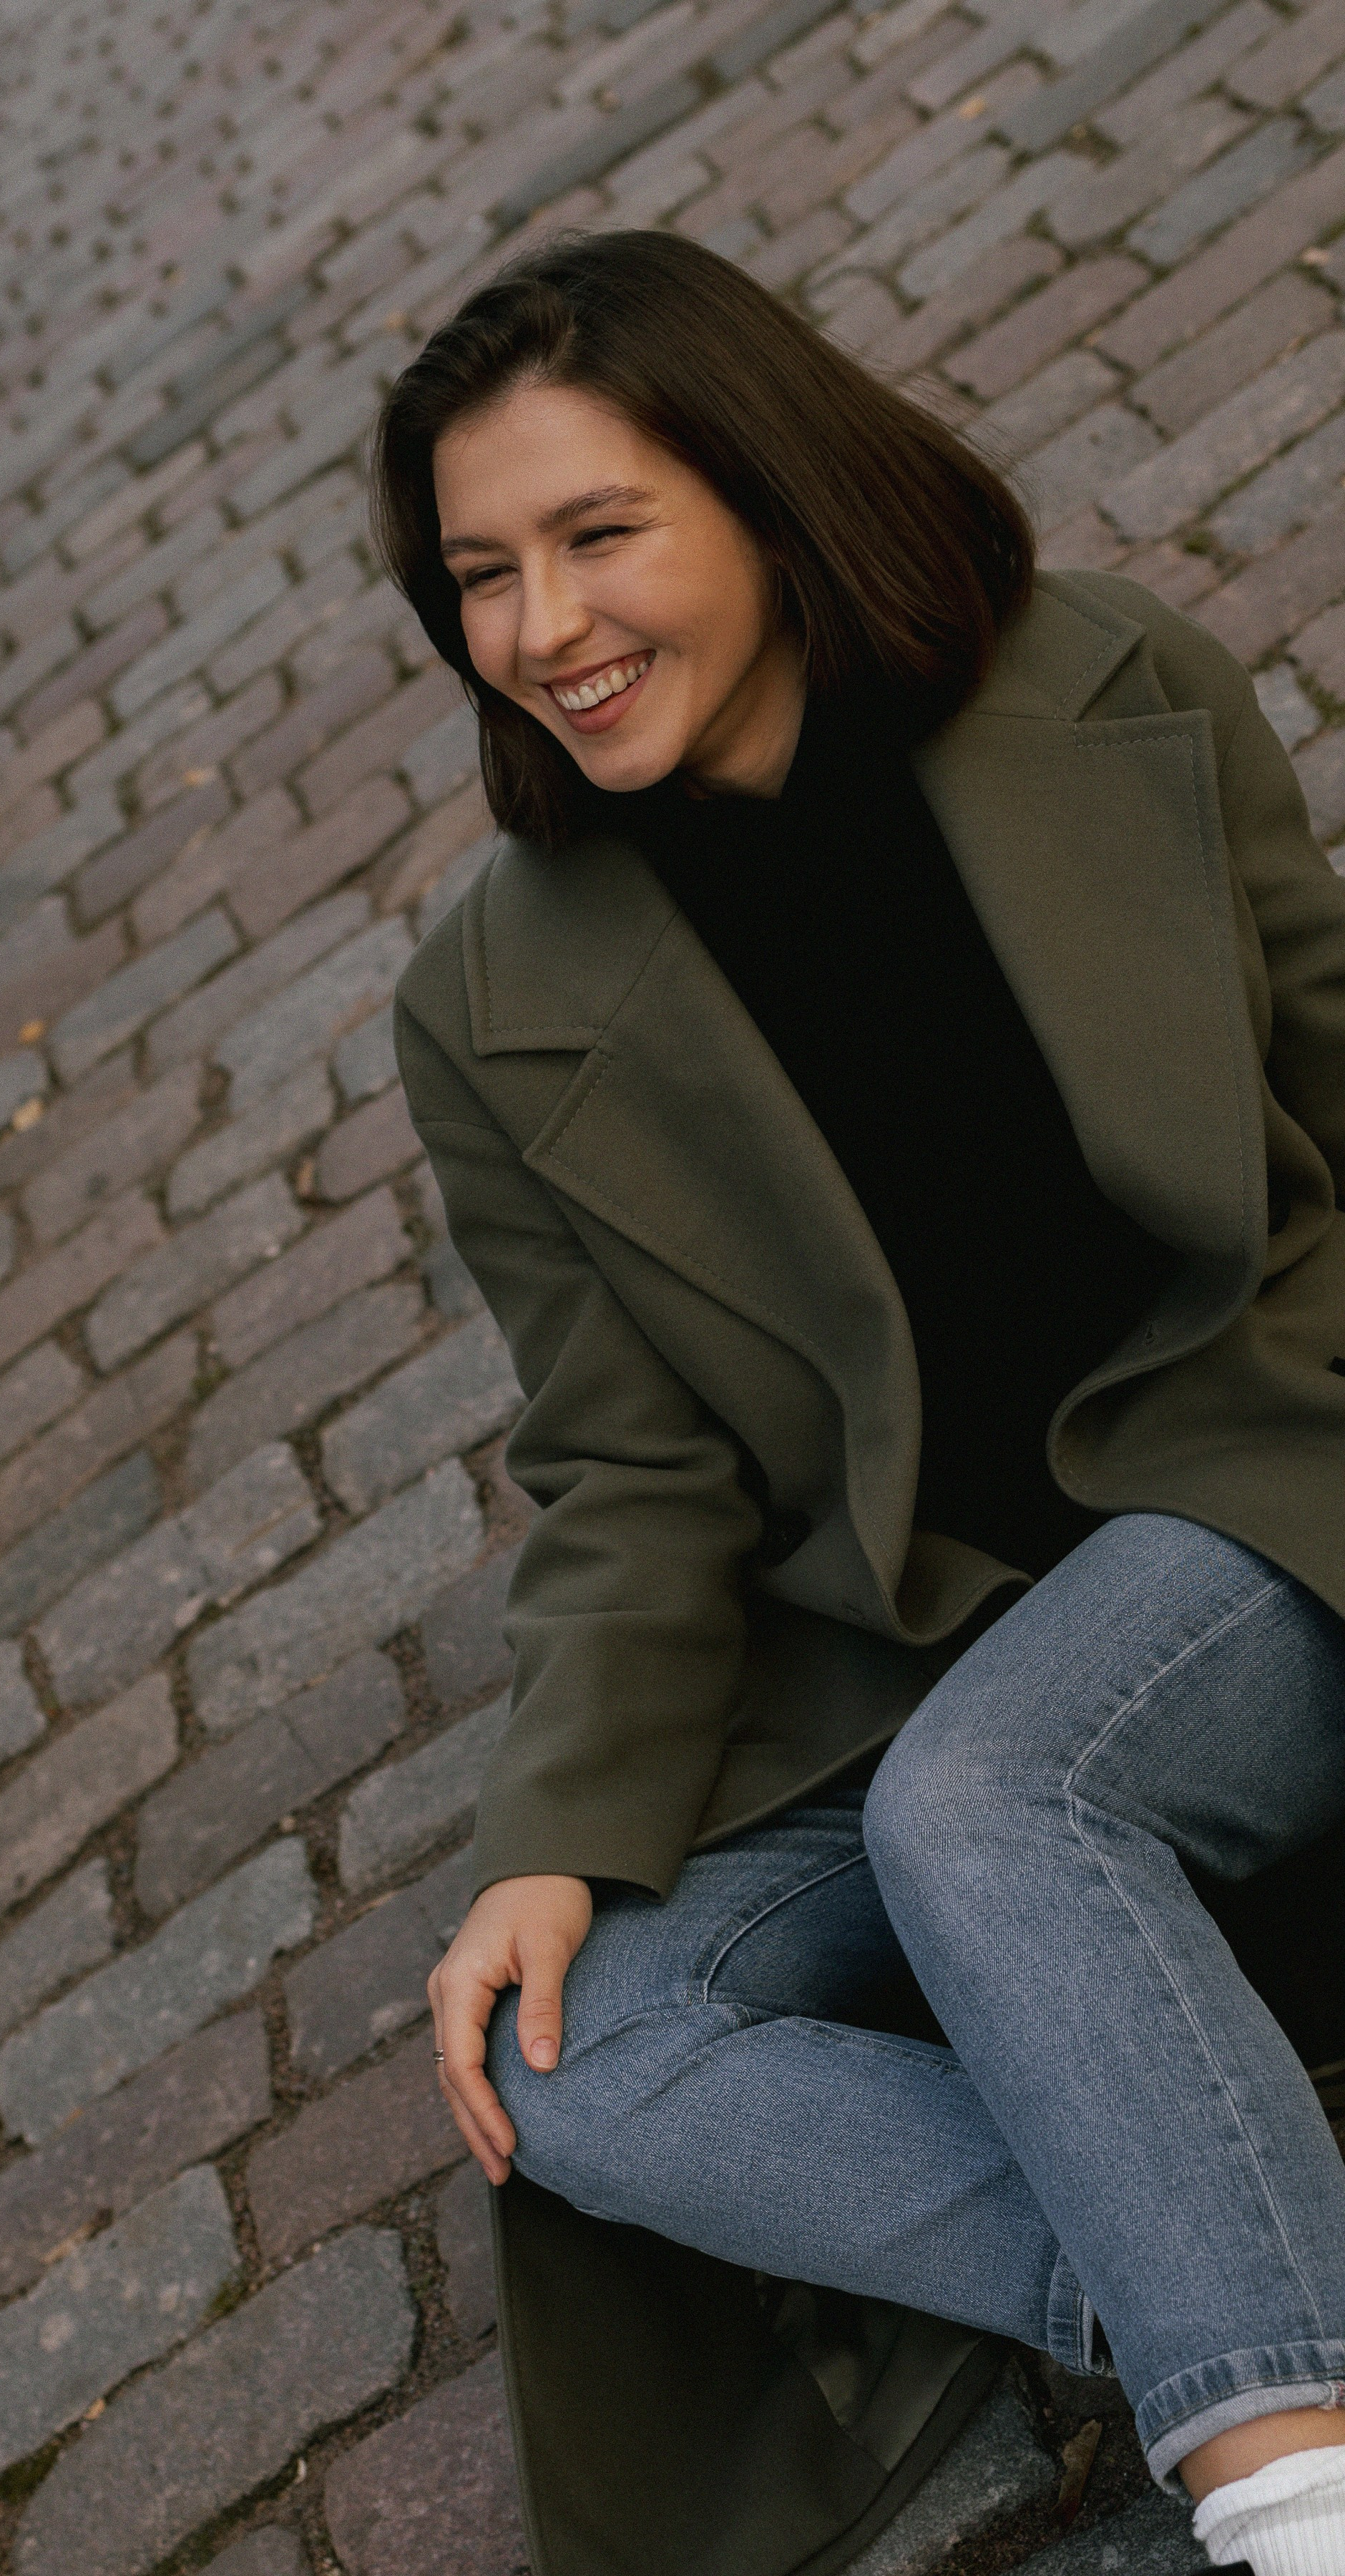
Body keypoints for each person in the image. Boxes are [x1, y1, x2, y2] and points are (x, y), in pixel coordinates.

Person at [373, 228, 1345, 2576]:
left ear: (766, 490)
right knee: (573, 2060)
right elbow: (624, 1465)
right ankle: (1252, 2290)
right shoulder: (490, 999)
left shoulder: (1115, 686)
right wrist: (548, 1840)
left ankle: (1291, 2507)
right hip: (896, 1654)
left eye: (600, 534)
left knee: (987, 1804)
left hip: (1246, 1494)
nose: (542, 626)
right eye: (480, 572)